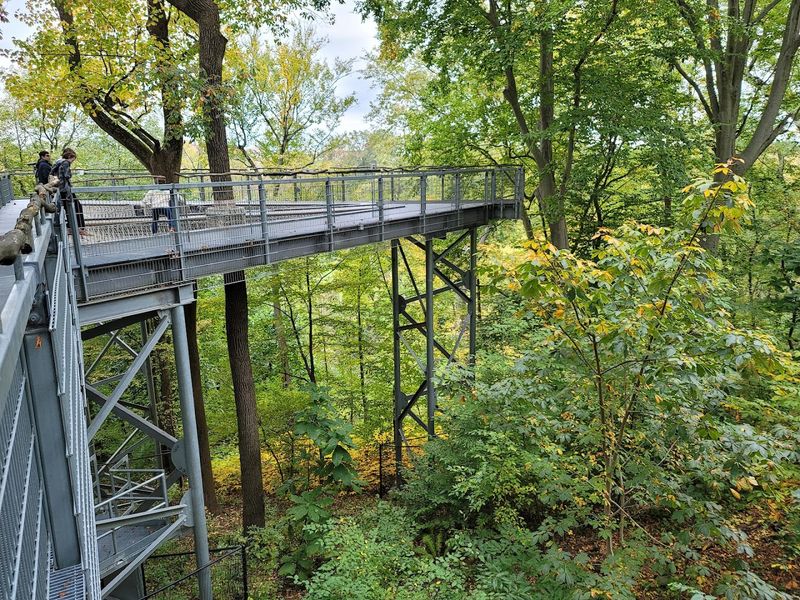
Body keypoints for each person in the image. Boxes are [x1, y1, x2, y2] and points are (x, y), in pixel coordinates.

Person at [51, 148, 87, 237]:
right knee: (78, 206)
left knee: (68, 208)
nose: (73, 161)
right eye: (73, 159)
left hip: (60, 188)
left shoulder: (58, 162)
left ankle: (71, 227)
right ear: (70, 156)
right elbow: (67, 175)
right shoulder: (66, 163)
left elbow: (52, 172)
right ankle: (80, 228)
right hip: (66, 188)